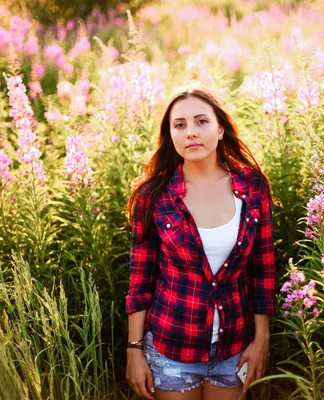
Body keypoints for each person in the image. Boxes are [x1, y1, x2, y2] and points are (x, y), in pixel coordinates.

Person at [125, 85, 276, 400]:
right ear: (171, 136)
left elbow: (262, 271)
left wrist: (261, 340)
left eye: (201, 122)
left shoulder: (253, 187)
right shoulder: (154, 196)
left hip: (234, 348)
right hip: (171, 349)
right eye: (180, 125)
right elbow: (140, 281)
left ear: (220, 129)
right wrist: (134, 351)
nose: (190, 132)